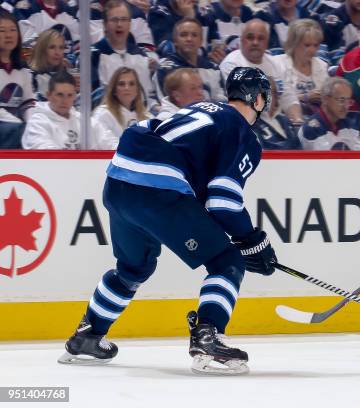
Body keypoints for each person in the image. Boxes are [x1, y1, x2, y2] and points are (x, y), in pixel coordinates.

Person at [57, 67, 277, 375]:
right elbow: (223, 202)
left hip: (118, 182)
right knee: (228, 262)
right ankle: (208, 336)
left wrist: (246, 239)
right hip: (158, 188)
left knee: (134, 267)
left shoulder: (201, 109)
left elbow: (203, 195)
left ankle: (87, 335)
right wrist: (252, 240)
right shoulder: (243, 134)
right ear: (258, 100)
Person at [220, 19, 303, 123]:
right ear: (241, 40)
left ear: (267, 42)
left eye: (261, 38)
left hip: (278, 125)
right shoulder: (232, 64)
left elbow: (289, 99)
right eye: (250, 37)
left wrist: (297, 122)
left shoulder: (276, 64)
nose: (255, 42)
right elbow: (245, 105)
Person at [22, 71, 111, 149]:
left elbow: (109, 141)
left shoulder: (84, 121)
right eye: (60, 95)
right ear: (48, 95)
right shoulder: (37, 122)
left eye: (69, 95)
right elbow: (44, 151)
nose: (65, 100)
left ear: (75, 96)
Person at [156, 18, 225, 103]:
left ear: (201, 41)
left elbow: (222, 101)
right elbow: (169, 103)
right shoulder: (165, 68)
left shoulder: (213, 68)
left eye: (194, 35)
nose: (189, 39)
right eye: (183, 35)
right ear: (175, 41)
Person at [273, 18, 328, 115]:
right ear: (294, 43)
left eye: (315, 45)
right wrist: (305, 97)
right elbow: (273, 102)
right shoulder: (277, 64)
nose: (312, 50)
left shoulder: (322, 66)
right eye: (307, 45)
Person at [92, 67, 151, 149]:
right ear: (114, 90)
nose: (127, 87)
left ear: (137, 89)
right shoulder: (103, 114)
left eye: (131, 84)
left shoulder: (147, 117)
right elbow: (107, 144)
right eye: (121, 84)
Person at [0, 10, 35, 148]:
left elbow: (28, 103)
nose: (8, 35)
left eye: (13, 30)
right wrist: (20, 125)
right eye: (2, 30)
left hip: (16, 127)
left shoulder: (22, 70)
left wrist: (32, 124)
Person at [298, 76, 360, 150]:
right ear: (325, 99)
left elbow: (359, 157)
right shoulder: (311, 129)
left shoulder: (350, 125)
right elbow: (323, 160)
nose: (346, 106)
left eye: (349, 101)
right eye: (341, 100)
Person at [29, 28, 72, 102]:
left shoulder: (67, 73)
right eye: (52, 47)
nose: (57, 52)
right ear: (42, 50)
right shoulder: (31, 76)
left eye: (61, 48)